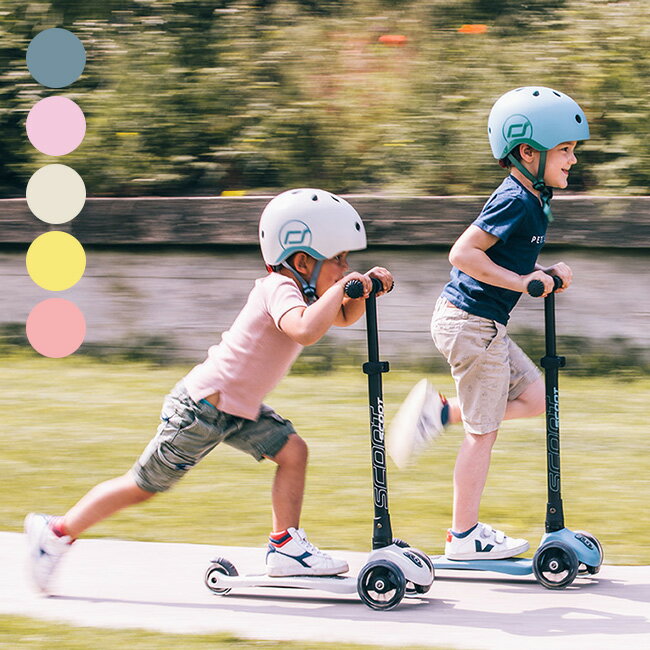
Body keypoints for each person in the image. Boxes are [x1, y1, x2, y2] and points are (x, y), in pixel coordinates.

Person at [25, 188, 394, 594]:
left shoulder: (305, 290)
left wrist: (366, 288)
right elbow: (306, 330)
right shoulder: (278, 289)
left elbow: (340, 317)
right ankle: (56, 532)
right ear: (302, 260)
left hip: (238, 410)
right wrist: (347, 288)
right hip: (201, 410)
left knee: (293, 451)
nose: (345, 268)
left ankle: (285, 545)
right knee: (143, 486)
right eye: (338, 259)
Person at [387, 86, 590, 560]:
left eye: (572, 150)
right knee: (483, 433)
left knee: (537, 398)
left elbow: (513, 264)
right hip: (469, 323)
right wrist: (526, 283)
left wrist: (542, 275)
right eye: (564, 150)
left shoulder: (534, 197)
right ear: (527, 151)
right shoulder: (515, 199)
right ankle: (463, 536)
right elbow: (463, 253)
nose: (572, 160)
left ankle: (439, 413)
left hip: (484, 325)